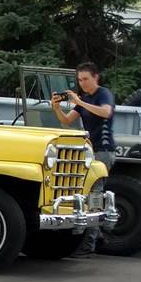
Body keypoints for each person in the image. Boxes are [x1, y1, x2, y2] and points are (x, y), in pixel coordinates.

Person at [51, 62, 115, 256]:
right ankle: (98, 238)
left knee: (94, 195)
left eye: (86, 79)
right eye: (79, 80)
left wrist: (79, 102)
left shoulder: (103, 94)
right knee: (89, 194)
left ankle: (88, 244)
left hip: (103, 151)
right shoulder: (84, 98)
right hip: (90, 151)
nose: (83, 83)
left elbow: (106, 112)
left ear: (96, 77)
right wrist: (56, 107)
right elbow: (66, 121)